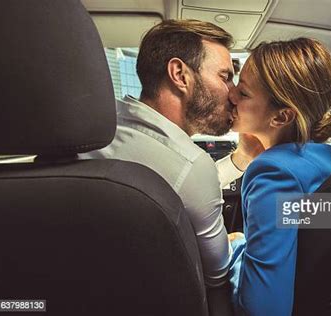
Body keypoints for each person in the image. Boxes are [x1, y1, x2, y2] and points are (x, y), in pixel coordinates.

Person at [82, 19, 252, 288]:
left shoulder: (95, 132)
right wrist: (237, 241)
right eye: (225, 77)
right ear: (180, 75)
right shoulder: (192, 166)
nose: (233, 94)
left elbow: (179, 180)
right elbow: (218, 274)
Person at [227, 38, 331, 315]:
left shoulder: (273, 172)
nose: (231, 95)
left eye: (243, 93)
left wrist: (234, 250)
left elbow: (264, 308)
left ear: (282, 117)